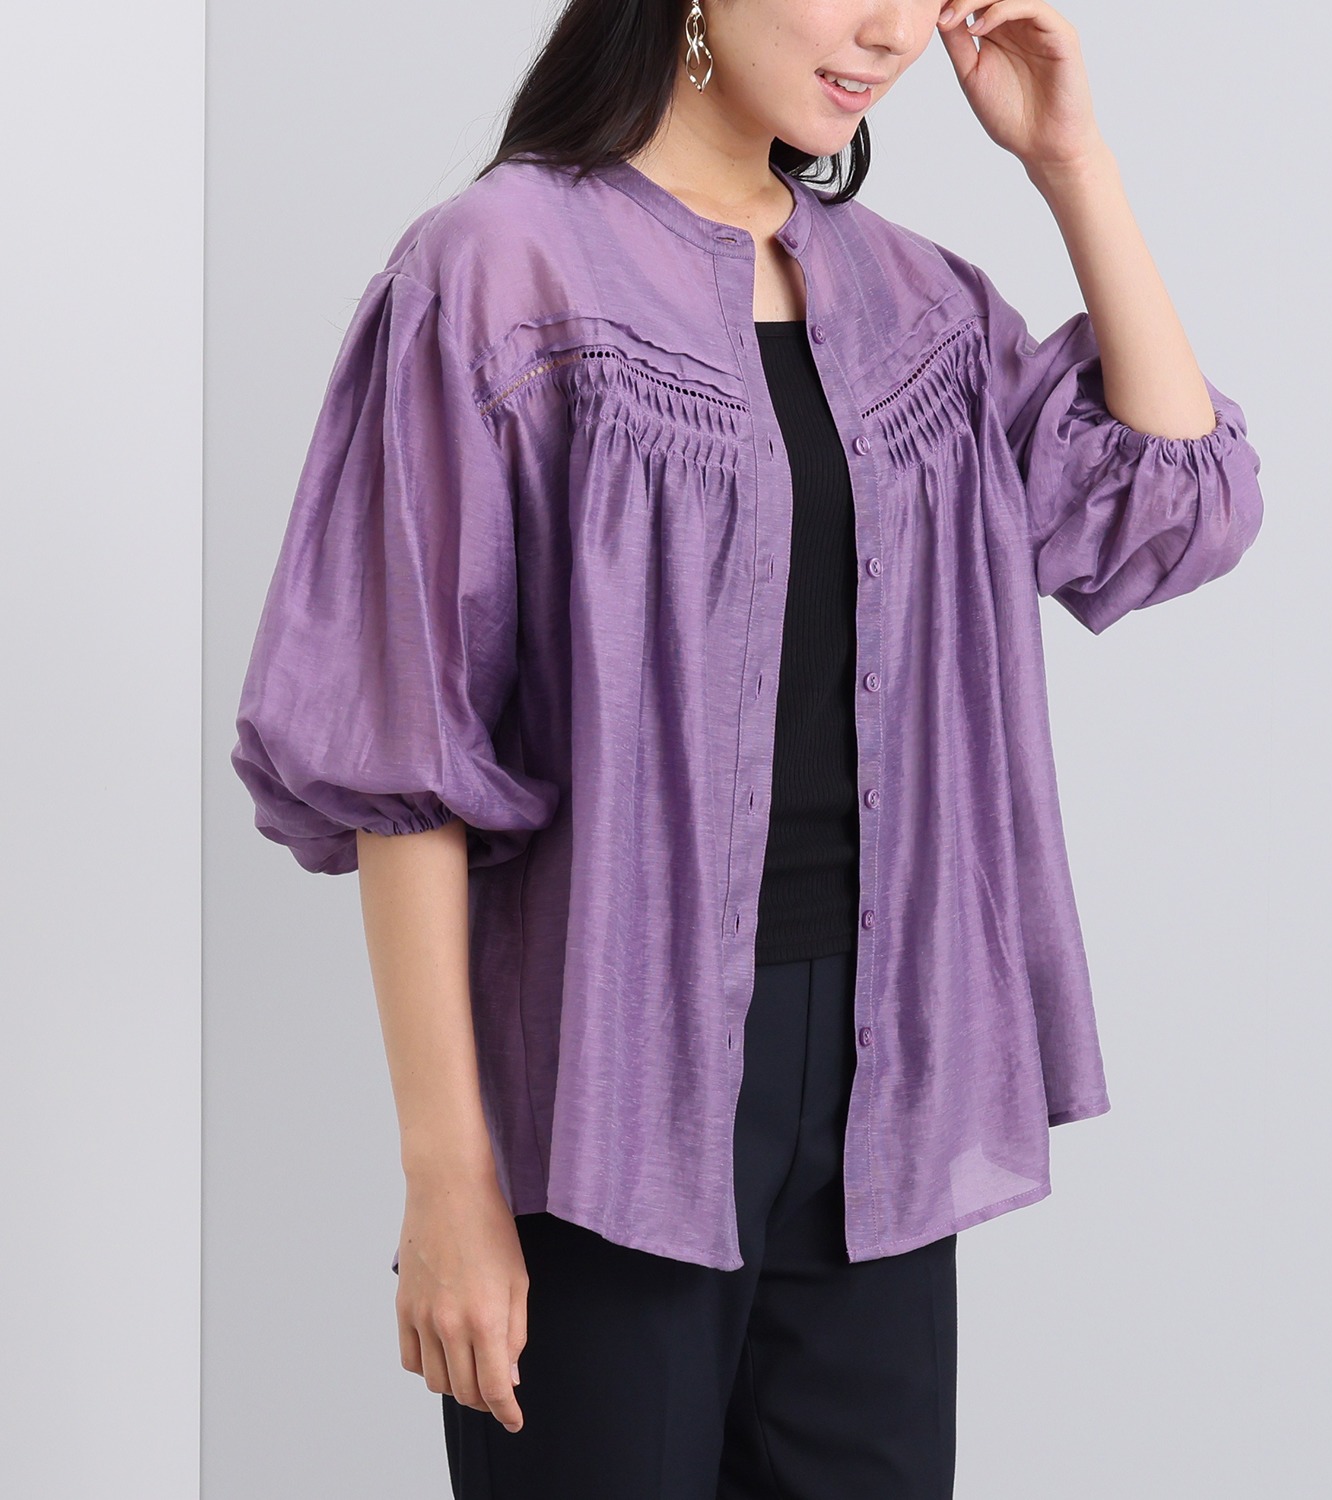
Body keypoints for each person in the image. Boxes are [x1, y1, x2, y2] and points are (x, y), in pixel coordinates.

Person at [229, 1, 1264, 1495]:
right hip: (606, 1098)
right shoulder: (499, 270)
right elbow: (405, 755)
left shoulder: (918, 303)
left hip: (885, 1095)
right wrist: (450, 1182)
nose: (891, 31)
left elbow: (1173, 506)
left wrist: (1072, 161)